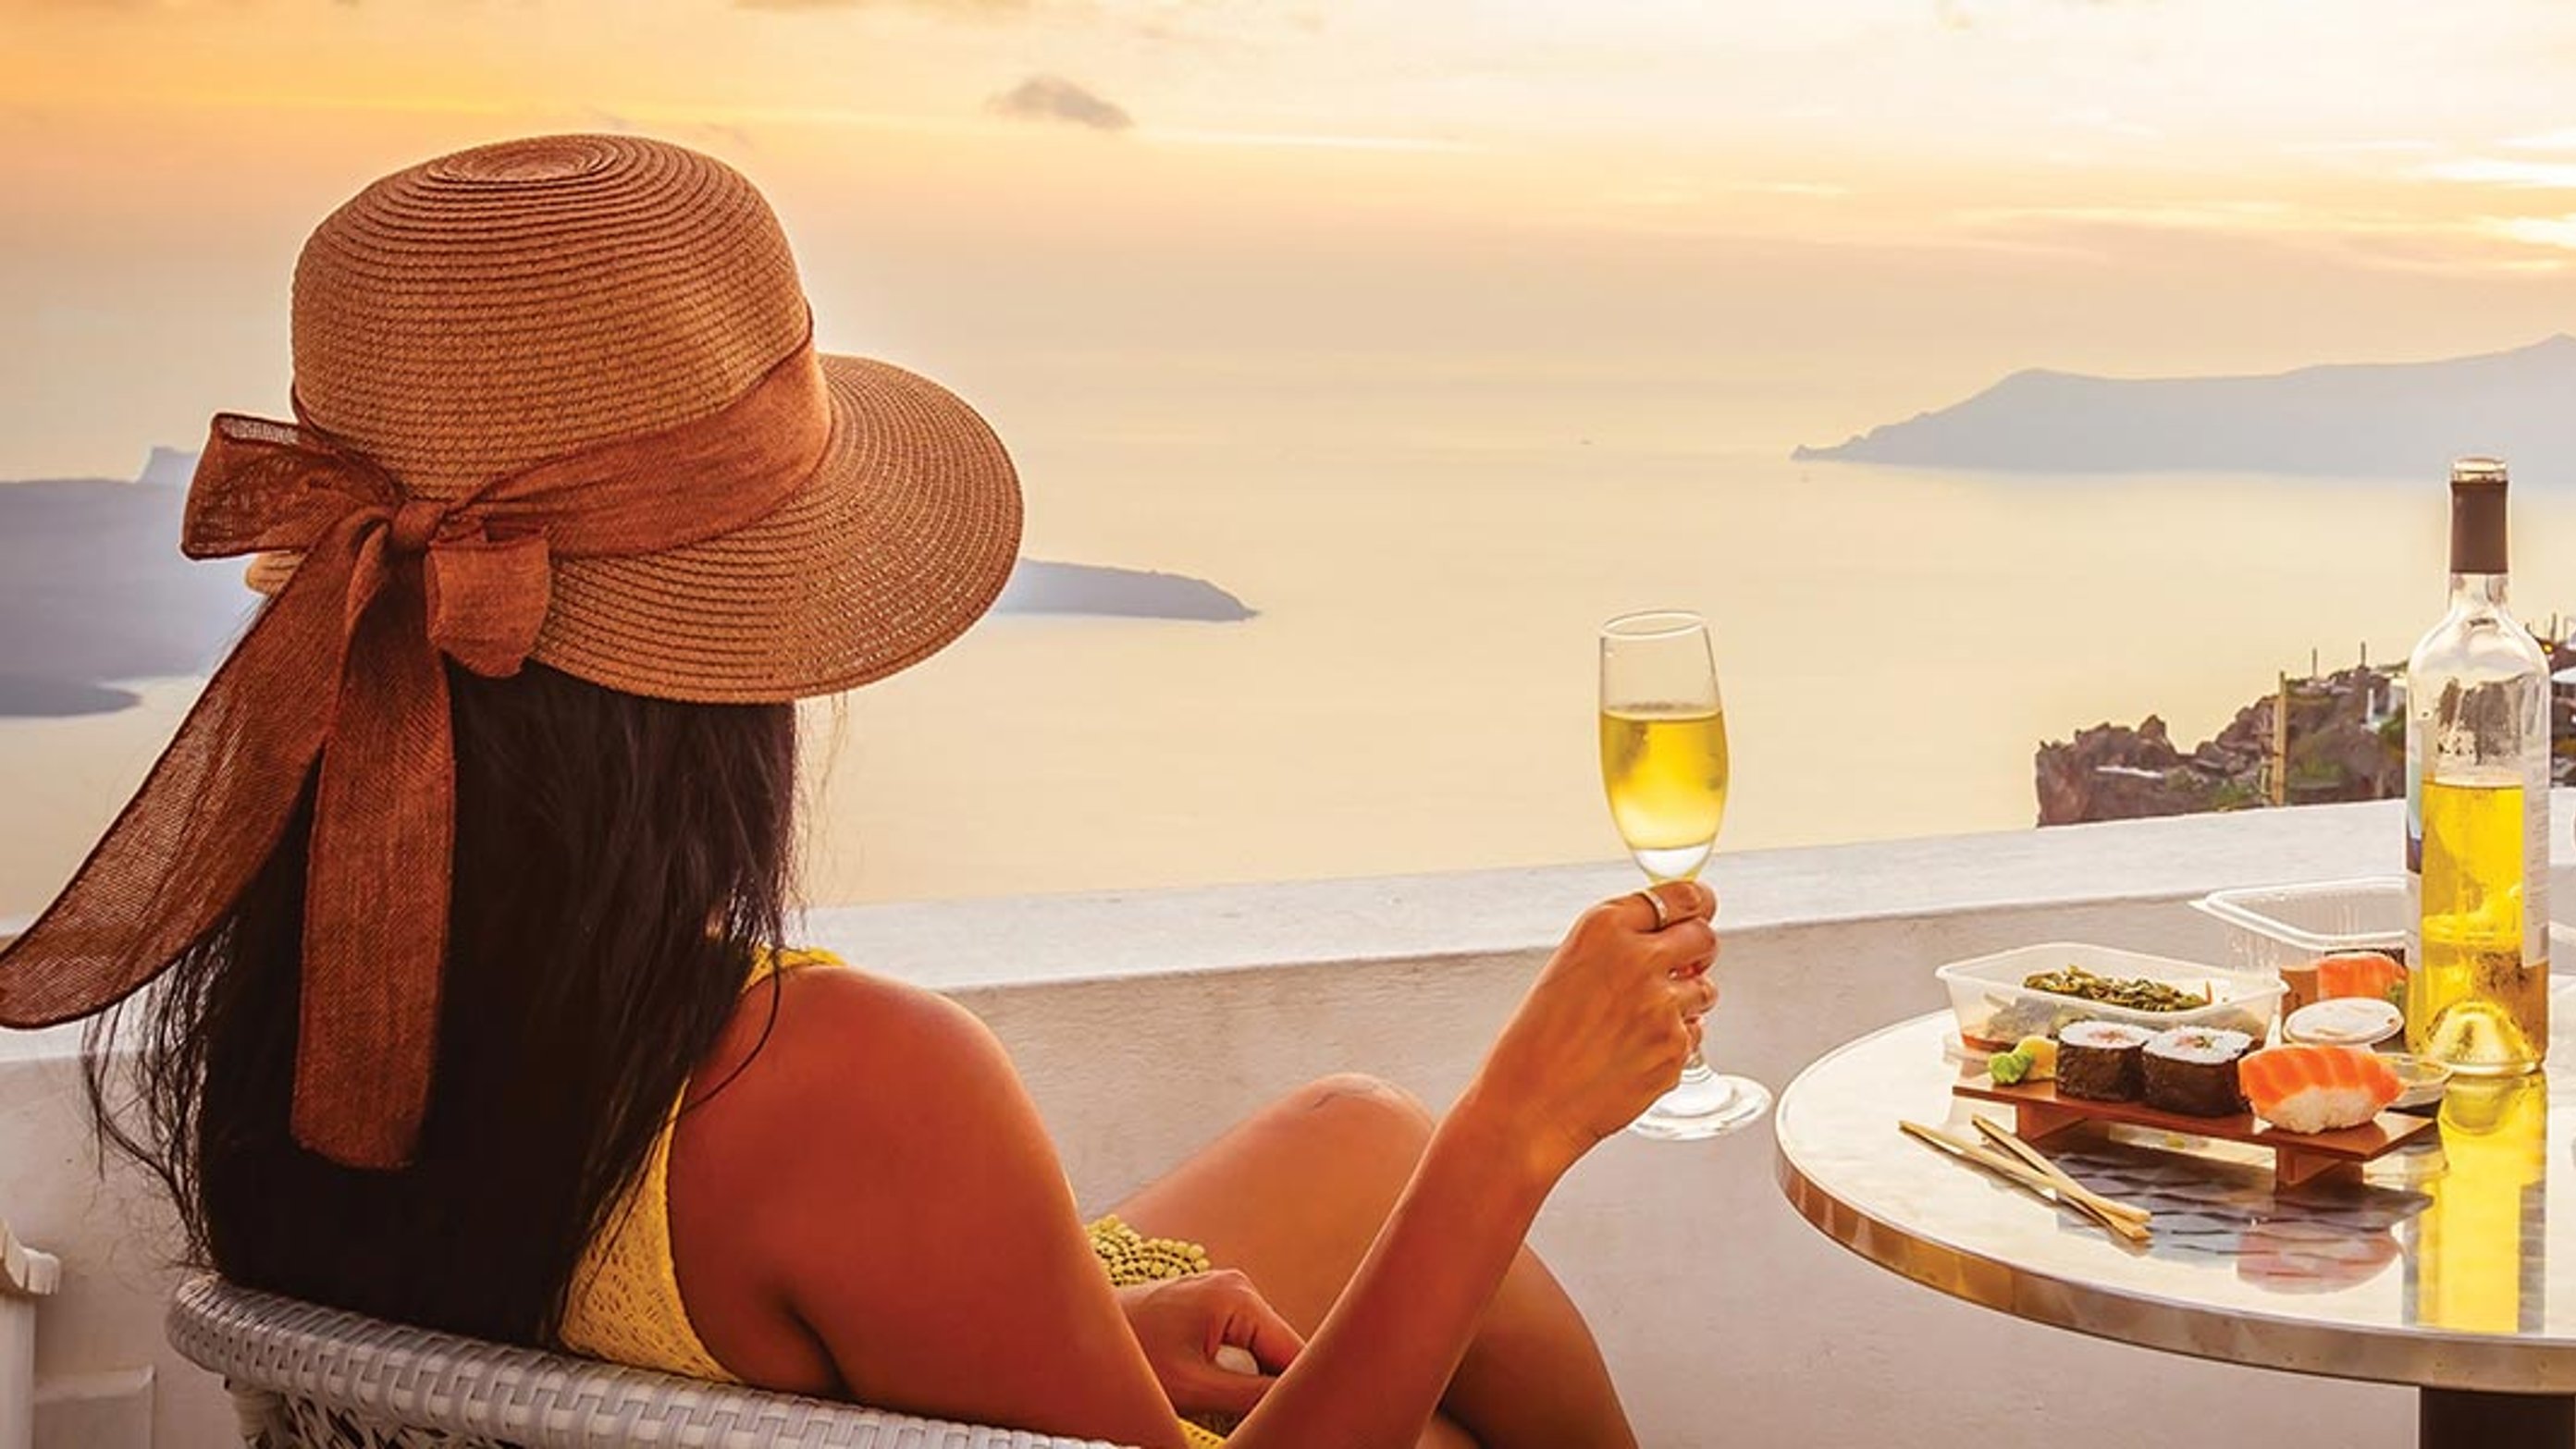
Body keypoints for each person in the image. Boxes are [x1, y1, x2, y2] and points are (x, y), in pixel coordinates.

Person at [0, 135, 1706, 1449]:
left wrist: (1089, 1345)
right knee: (1428, 1330)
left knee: (1347, 1143)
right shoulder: (828, 1081)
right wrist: (1524, 1127)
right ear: (724, 665)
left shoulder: (292, 999)